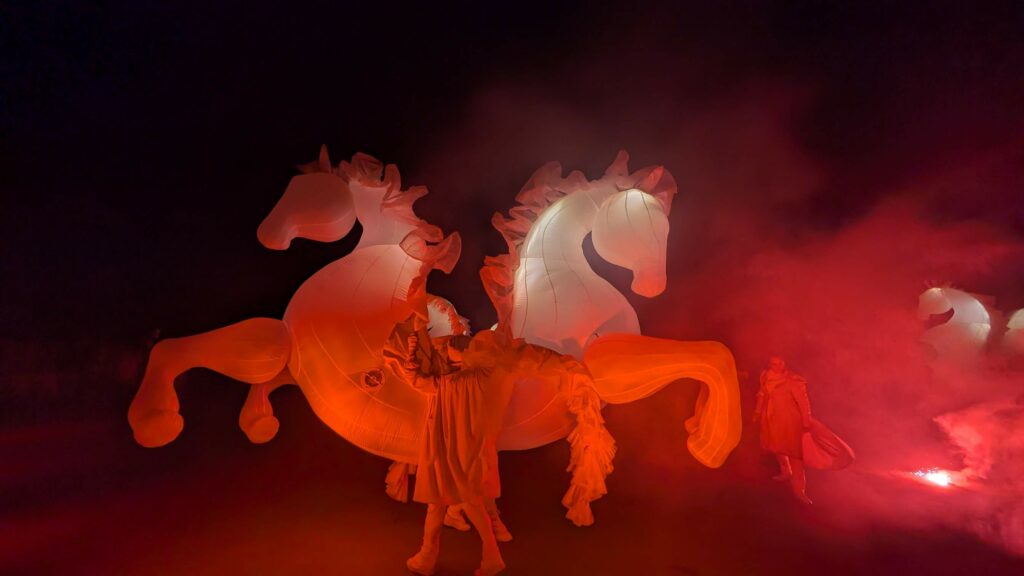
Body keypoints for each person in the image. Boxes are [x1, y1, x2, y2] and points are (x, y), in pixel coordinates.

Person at [401, 331, 512, 576]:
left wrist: (416, 353)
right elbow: (416, 379)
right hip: (445, 448)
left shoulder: (475, 378)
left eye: (450, 347)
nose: (445, 350)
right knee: (438, 502)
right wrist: (412, 352)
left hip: (462, 450)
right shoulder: (450, 381)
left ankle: (492, 555)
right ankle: (426, 556)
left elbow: (416, 379)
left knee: (468, 500)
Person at [753, 356, 813, 504]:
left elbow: (803, 402)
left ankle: (800, 491)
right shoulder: (766, 376)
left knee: (794, 454)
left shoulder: (793, 380)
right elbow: (762, 394)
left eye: (778, 363)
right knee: (777, 446)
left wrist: (806, 421)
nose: (775, 366)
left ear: (784, 363)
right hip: (772, 418)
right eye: (772, 363)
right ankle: (786, 472)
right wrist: (757, 412)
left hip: (790, 420)